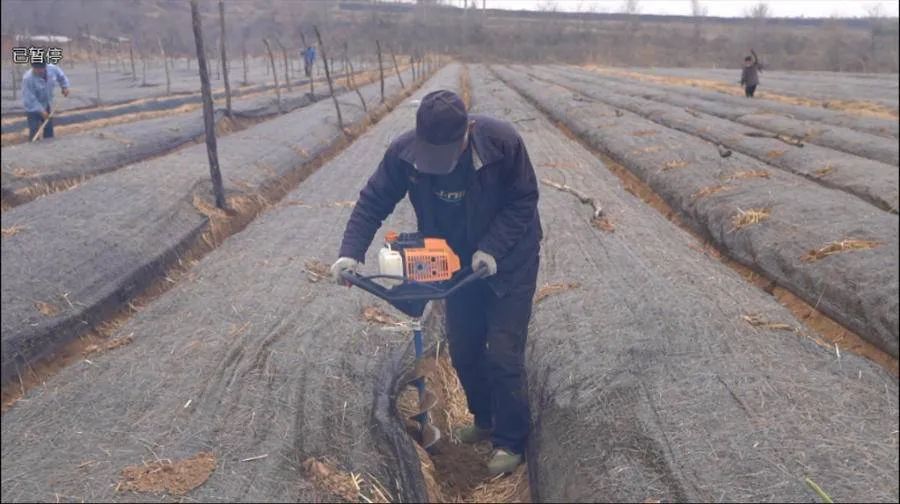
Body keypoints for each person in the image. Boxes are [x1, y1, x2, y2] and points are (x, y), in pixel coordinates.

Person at [331, 90, 541, 476]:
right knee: (463, 348)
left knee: (504, 353)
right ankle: (485, 419)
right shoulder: (404, 155)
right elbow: (374, 199)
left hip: (509, 260)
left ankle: (510, 442)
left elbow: (524, 199)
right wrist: (351, 252)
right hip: (455, 262)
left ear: (468, 131)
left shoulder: (501, 143)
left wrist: (492, 248)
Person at [22, 61, 69, 141]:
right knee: (34, 129)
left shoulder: (52, 69)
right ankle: (33, 148)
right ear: (33, 67)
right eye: (37, 69)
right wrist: (41, 110)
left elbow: (61, 76)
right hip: (32, 107)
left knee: (48, 127)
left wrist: (64, 87)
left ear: (45, 66)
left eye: (42, 68)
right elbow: (29, 98)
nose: (40, 71)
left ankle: (49, 146)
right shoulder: (28, 78)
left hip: (46, 103)